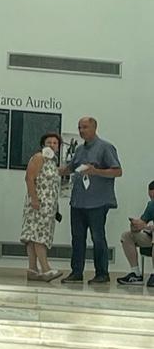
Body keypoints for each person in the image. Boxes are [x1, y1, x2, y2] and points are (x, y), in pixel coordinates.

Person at [59, 116, 123, 285]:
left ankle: (102, 273)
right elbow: (69, 169)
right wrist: (48, 169)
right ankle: (76, 273)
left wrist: (96, 171)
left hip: (98, 202)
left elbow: (117, 171)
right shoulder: (79, 150)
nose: (81, 131)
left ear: (94, 128)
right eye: (79, 127)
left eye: (85, 127)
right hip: (78, 202)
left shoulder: (106, 148)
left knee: (98, 238)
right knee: (77, 238)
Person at [20, 130, 65, 283]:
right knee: (39, 237)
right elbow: (29, 178)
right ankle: (46, 269)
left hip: (48, 207)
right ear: (43, 145)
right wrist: (34, 199)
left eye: (55, 143)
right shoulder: (39, 158)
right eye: (49, 143)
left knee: (33, 237)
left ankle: (33, 269)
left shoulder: (52, 163)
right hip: (38, 204)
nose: (52, 145)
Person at [116, 179, 154, 285]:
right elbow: (142, 224)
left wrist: (149, 228)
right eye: (151, 197)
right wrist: (135, 226)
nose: (152, 199)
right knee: (127, 236)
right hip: (151, 237)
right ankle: (136, 273)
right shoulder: (151, 205)